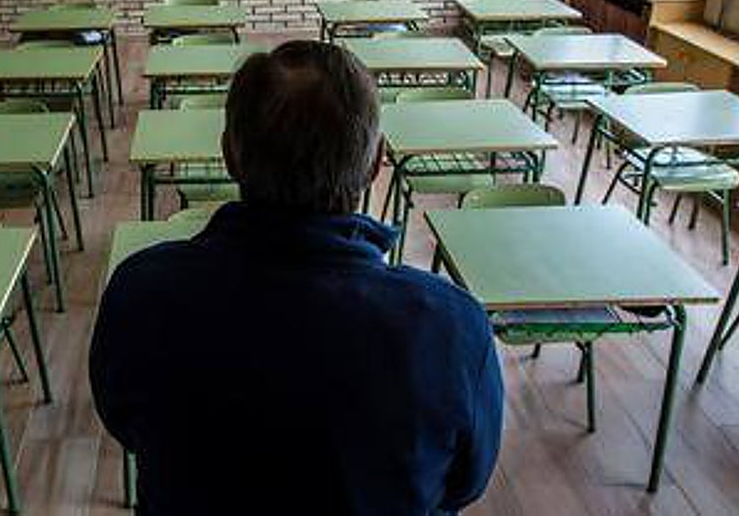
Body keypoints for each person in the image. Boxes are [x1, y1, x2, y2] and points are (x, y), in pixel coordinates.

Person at [90, 40, 503, 515]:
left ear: (229, 155)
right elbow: (466, 483)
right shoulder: (451, 327)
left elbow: (123, 421)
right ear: (375, 164)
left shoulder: (140, 293)